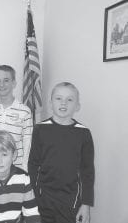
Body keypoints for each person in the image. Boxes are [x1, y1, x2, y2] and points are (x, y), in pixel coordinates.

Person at [28, 82, 95, 223]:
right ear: (50, 103)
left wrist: (86, 204)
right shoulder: (40, 129)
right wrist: (32, 196)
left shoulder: (83, 133)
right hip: (42, 200)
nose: (63, 102)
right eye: (58, 98)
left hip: (71, 202)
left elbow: (87, 171)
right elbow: (33, 165)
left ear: (77, 106)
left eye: (70, 99)